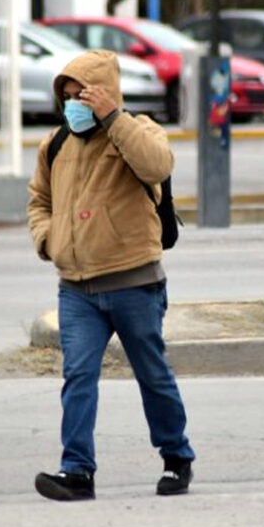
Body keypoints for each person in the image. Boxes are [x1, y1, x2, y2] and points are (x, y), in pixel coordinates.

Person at [27, 50, 195, 501]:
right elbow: (39, 200)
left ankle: (176, 457)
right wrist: (49, 239)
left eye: (81, 95)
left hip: (134, 283)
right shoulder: (56, 145)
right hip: (76, 289)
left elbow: (157, 166)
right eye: (66, 97)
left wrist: (113, 118)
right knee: (78, 377)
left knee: (152, 375)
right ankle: (77, 472)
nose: (73, 104)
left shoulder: (139, 130)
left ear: (105, 93)